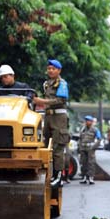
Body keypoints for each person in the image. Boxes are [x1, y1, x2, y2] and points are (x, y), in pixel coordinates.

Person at [33, 59, 70, 187]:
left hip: (59, 118)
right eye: (49, 68)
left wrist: (42, 101)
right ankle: (47, 173)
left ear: (59, 70)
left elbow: (60, 100)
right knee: (44, 145)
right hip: (48, 117)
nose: (50, 70)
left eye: (53, 69)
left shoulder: (62, 84)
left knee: (57, 148)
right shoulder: (47, 84)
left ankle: (58, 177)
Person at [79, 115, 101, 185]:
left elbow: (99, 139)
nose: (87, 122)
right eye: (86, 121)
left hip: (90, 149)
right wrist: (79, 147)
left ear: (91, 122)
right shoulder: (82, 129)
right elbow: (80, 139)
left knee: (91, 163)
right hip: (83, 148)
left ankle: (91, 177)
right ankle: (84, 177)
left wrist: (94, 147)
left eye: (88, 121)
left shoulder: (95, 130)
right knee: (83, 163)